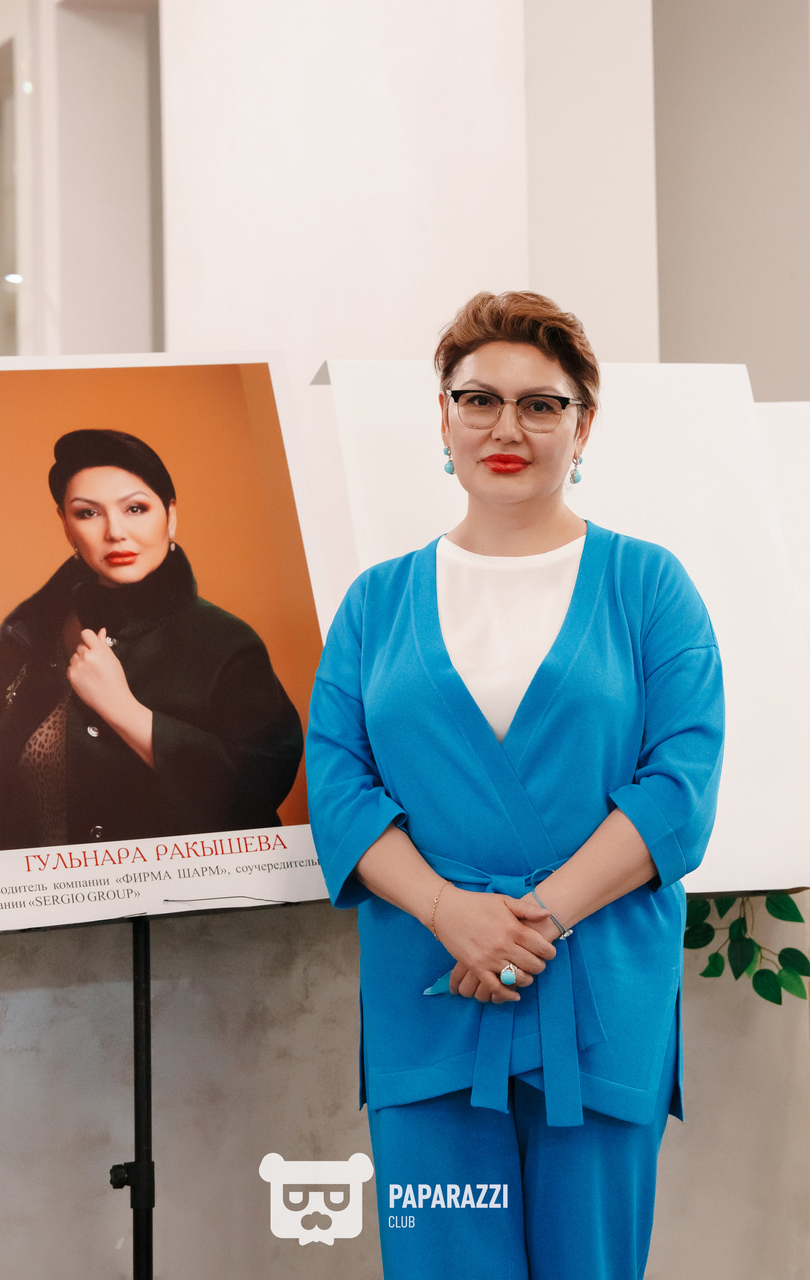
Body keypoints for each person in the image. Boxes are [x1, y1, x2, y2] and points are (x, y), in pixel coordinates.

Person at [305, 292, 725, 1280]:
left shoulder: (648, 585)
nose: (506, 427)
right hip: (429, 992)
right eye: (479, 399)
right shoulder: (375, 602)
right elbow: (338, 784)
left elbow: (679, 786)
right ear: (443, 416)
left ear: (583, 425)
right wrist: (452, 915)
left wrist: (524, 926)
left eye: (541, 404)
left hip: (598, 995)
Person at [0, 429, 303, 851]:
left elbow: (261, 786)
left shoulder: (227, 643)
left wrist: (124, 710)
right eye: (88, 513)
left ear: (170, 515)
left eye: (135, 508)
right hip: (48, 891)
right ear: (66, 525)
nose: (115, 532)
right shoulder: (28, 637)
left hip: (194, 893)